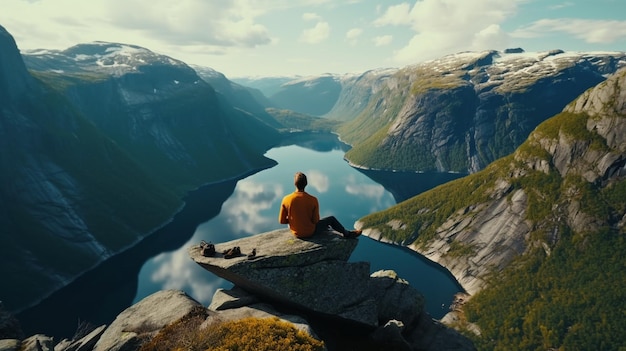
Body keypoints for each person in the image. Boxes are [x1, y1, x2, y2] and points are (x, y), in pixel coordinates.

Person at [279, 172, 362, 239]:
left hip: (295, 232)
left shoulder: (286, 199)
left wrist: (294, 219)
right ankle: (347, 234)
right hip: (310, 232)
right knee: (331, 219)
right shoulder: (313, 199)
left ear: (295, 184)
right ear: (306, 184)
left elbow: (282, 221)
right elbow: (315, 221)